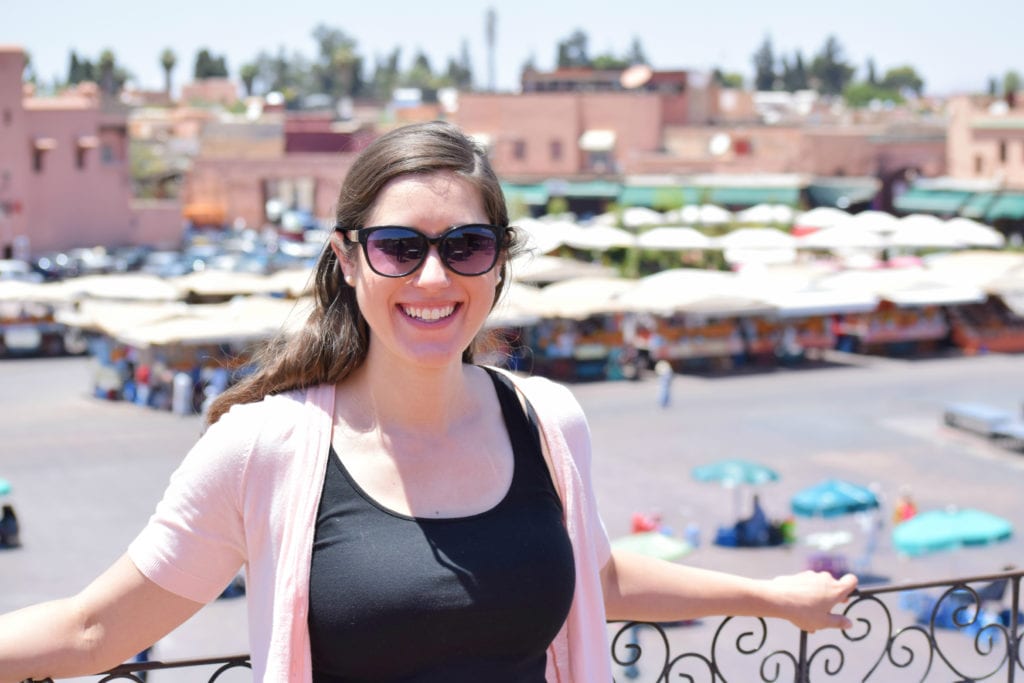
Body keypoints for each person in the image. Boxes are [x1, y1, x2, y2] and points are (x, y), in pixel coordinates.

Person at [0, 121, 857, 682]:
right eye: (400, 248)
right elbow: (90, 633)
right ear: (348, 258)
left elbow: (598, 578)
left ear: (499, 261)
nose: (436, 278)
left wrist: (768, 598)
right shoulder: (265, 449)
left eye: (468, 245)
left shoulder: (549, 423)